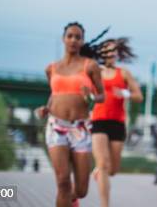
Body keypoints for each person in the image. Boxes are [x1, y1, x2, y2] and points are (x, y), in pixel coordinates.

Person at [36, 22, 106, 207]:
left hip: (80, 129)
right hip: (56, 127)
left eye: (78, 37)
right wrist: (46, 108)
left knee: (81, 190)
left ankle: (69, 200)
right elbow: (54, 93)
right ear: (63, 39)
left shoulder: (90, 66)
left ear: (82, 41)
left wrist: (89, 95)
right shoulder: (51, 68)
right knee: (63, 182)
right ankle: (65, 198)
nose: (74, 40)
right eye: (70, 36)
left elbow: (101, 96)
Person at [91, 38, 143, 207]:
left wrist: (124, 93)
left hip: (117, 123)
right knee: (104, 164)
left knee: (112, 170)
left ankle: (99, 171)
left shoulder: (124, 73)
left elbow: (139, 96)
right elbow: (84, 92)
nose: (111, 54)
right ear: (102, 53)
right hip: (98, 121)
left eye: (114, 50)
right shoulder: (95, 71)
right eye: (108, 50)